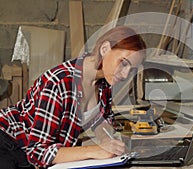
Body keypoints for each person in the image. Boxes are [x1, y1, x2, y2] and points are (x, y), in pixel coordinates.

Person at [0, 26, 146, 168]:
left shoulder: (105, 84)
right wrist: (96, 150)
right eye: (123, 63)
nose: (125, 74)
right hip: (7, 141)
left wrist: (109, 142)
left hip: (28, 152)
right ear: (105, 49)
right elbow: (38, 152)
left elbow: (100, 122)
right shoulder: (59, 82)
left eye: (131, 69)